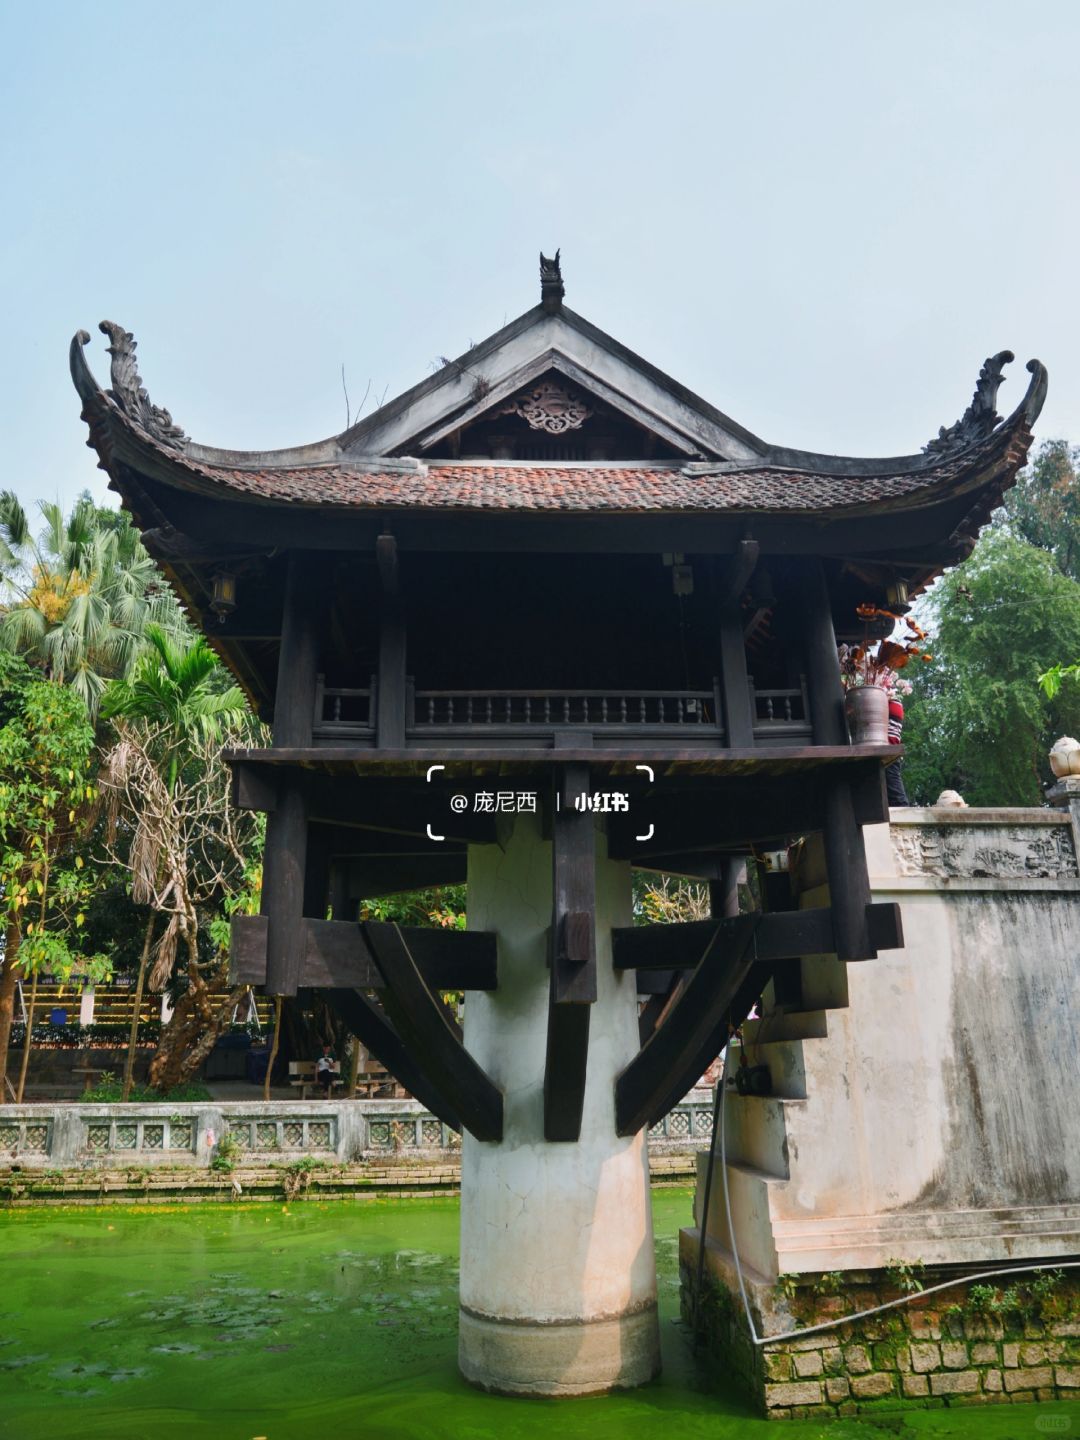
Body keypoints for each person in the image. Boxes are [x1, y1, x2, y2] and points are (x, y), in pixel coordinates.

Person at [885, 684, 910, 806]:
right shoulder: (896, 704)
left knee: (895, 790)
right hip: (890, 751)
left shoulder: (893, 704)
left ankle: (903, 810)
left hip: (887, 751)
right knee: (893, 785)